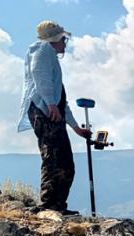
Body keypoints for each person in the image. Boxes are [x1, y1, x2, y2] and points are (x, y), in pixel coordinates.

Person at [18, 21, 90, 215]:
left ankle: (56, 204)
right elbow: (39, 76)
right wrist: (50, 103)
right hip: (44, 111)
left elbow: (61, 101)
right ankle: (50, 205)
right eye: (63, 39)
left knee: (63, 160)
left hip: (48, 110)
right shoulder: (43, 51)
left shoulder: (48, 56)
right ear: (55, 39)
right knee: (54, 158)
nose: (65, 43)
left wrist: (76, 128)